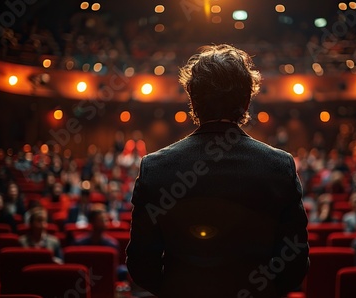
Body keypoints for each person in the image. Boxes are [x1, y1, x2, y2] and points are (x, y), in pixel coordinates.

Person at [126, 44, 309, 298]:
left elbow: (141, 265)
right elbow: (295, 263)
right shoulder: (280, 166)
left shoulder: (155, 168)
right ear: (246, 101)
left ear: (193, 100)